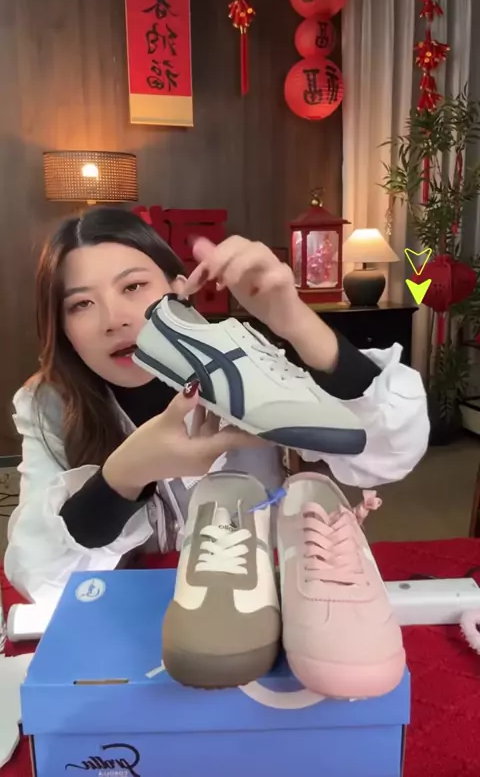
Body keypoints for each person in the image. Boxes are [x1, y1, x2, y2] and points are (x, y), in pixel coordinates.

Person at [5, 207, 429, 606]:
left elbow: (388, 451)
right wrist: (124, 475)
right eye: (81, 304)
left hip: (267, 599)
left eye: (133, 287)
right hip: (135, 612)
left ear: (179, 290)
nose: (114, 319)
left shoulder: (250, 366)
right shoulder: (49, 404)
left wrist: (297, 321)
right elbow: (41, 577)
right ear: (63, 328)